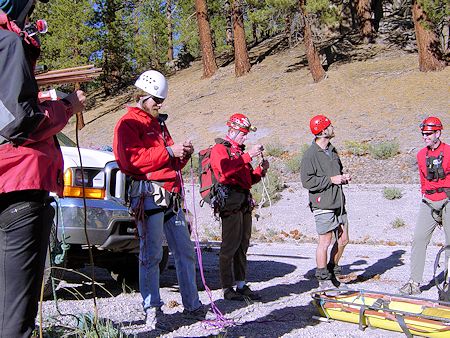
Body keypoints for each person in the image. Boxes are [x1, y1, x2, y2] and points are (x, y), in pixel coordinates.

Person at [0, 0, 86, 336]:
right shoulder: (6, 43)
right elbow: (21, 124)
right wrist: (66, 106)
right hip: (18, 184)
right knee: (15, 312)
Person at [113, 70, 206, 329]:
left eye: (161, 100)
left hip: (170, 196)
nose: (160, 104)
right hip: (149, 195)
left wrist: (182, 154)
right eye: (156, 99)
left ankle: (192, 304)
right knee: (151, 254)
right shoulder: (128, 123)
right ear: (142, 96)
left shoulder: (158, 124)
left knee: (184, 252)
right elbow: (129, 161)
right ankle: (152, 309)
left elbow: (170, 160)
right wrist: (168, 151)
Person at [209, 113, 269, 301]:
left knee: (242, 245)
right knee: (229, 247)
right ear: (232, 130)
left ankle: (241, 285)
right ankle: (227, 288)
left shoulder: (239, 152)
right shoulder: (220, 149)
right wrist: (248, 155)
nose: (245, 137)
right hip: (230, 203)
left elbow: (248, 180)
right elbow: (224, 170)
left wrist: (260, 171)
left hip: (243, 203)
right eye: (243, 133)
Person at [400, 117, 450, 295]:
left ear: (438, 133)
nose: (425, 137)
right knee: (419, 239)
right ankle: (414, 282)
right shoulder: (421, 155)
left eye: (429, 134)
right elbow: (423, 180)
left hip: (448, 200)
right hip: (428, 202)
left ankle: (448, 283)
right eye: (423, 134)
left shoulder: (449, 152)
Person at [300, 115, 350, 289]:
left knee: (343, 239)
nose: (333, 127)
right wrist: (331, 180)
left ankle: (332, 271)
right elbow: (307, 182)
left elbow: (338, 171)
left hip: (338, 202)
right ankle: (323, 279)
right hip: (323, 203)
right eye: (329, 126)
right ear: (322, 131)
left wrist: (343, 177)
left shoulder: (332, 150)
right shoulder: (310, 155)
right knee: (325, 241)